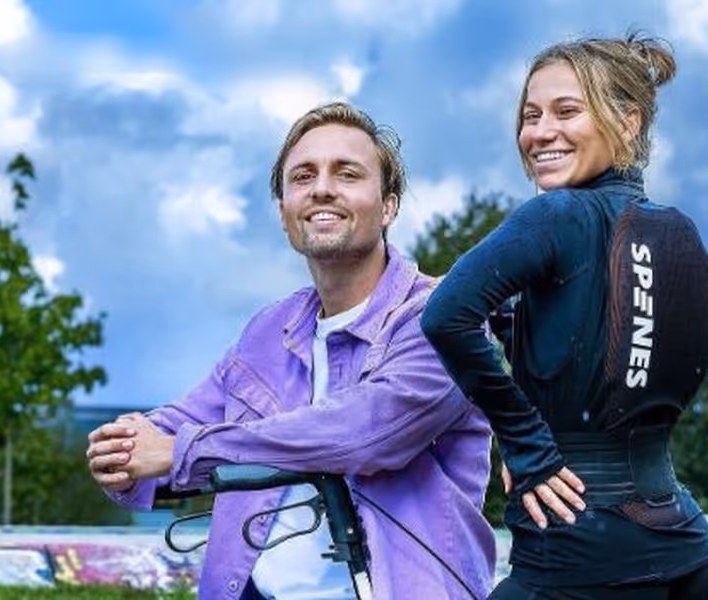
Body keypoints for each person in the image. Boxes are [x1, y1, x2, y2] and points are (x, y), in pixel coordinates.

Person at [86, 102, 496, 600]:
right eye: (302, 177)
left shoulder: (439, 317)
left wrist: (180, 453)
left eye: (347, 173)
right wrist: (122, 454)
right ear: (284, 212)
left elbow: (360, 435)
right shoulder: (266, 331)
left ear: (388, 206)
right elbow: (163, 434)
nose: (321, 188)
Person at [421, 34, 708, 600]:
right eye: (530, 115)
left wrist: (525, 441)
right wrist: (515, 336)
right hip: (686, 554)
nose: (539, 132)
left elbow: (447, 316)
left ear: (628, 123)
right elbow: (604, 352)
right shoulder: (679, 232)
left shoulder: (557, 214)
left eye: (566, 111)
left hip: (577, 561)